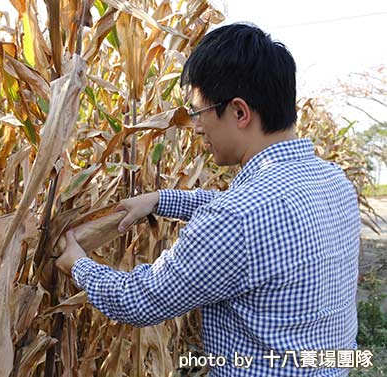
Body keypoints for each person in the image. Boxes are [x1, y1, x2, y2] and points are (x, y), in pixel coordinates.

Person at [56, 23, 360, 376]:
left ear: (239, 112)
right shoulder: (333, 181)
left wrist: (78, 264)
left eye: (198, 113)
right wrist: (159, 200)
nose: (196, 127)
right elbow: (252, 219)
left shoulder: (237, 218)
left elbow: (138, 301)